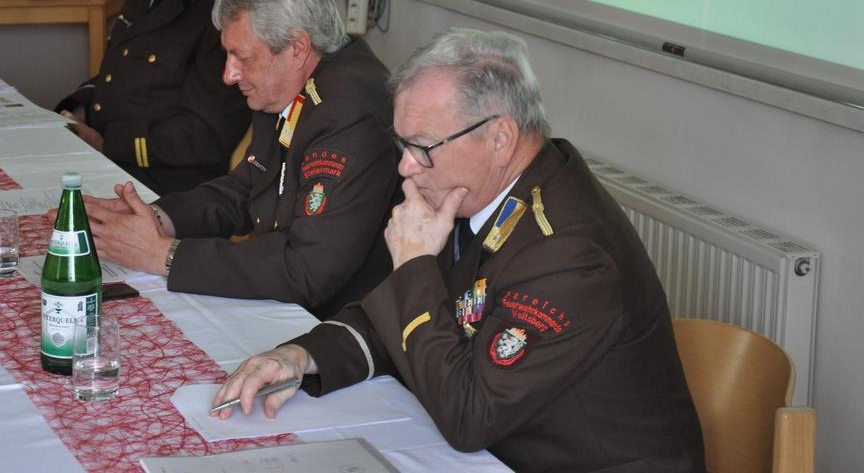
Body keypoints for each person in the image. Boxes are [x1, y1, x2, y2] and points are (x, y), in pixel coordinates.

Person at [212, 28, 706, 472]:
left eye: (423, 146)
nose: (406, 167)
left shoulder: (568, 254)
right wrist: (302, 355)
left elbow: (470, 416)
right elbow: (406, 316)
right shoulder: (482, 191)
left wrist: (414, 266)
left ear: (500, 138)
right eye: (402, 144)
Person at [85, 0, 399, 320]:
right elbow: (248, 188)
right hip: (290, 301)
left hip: (339, 323)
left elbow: (308, 268)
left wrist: (165, 256)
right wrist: (157, 217)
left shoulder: (347, 116)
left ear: (297, 47)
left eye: (241, 57)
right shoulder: (287, 84)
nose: (229, 75)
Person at [56, 0, 249, 195]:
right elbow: (118, 74)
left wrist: (107, 142)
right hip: (112, 163)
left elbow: (205, 135)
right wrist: (78, 109)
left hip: (167, 185)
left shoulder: (226, 4)